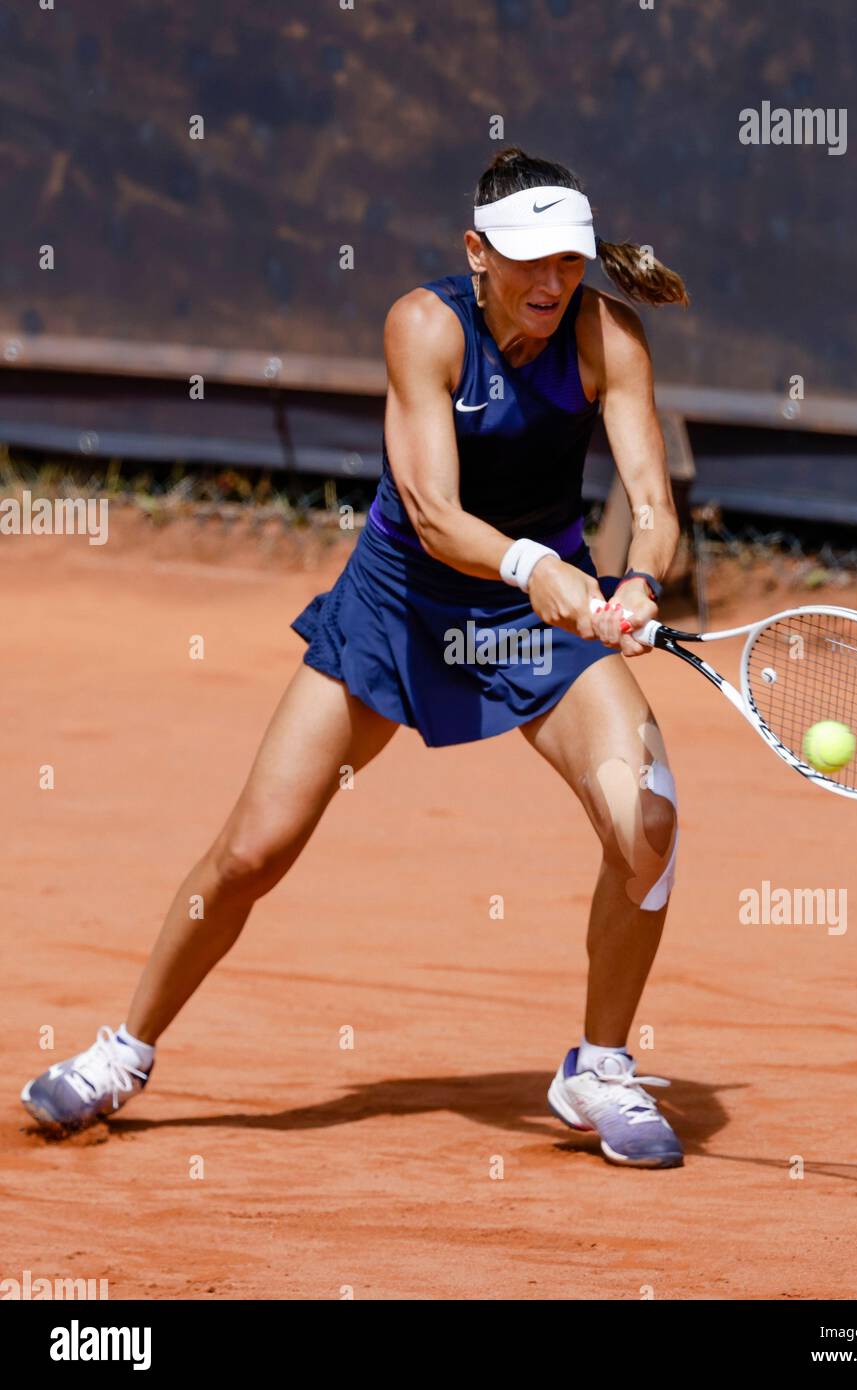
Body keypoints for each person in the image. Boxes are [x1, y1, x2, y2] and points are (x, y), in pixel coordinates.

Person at [21, 146, 690, 1168]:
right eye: (527, 261)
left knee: (649, 819)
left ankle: (598, 1066)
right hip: (402, 602)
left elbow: (651, 502)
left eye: (568, 260)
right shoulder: (424, 326)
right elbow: (430, 513)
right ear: (476, 252)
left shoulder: (609, 339)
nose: (551, 283)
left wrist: (638, 581)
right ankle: (124, 1051)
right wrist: (534, 567)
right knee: (253, 851)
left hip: (536, 614)